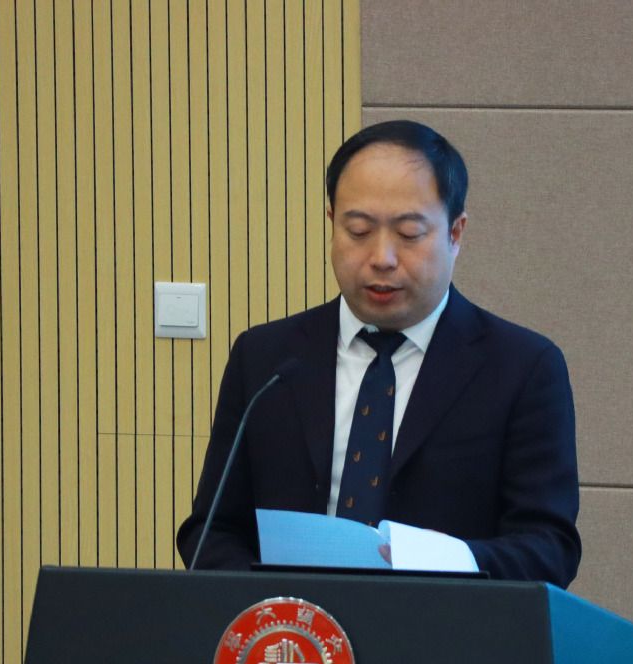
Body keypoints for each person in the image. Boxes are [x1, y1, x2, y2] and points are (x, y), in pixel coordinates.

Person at [177, 120, 580, 587]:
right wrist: (276, 603)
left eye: (409, 234)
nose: (382, 258)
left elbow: (549, 547)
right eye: (359, 230)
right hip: (294, 628)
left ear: (455, 233)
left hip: (445, 624)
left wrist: (443, 560)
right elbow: (212, 530)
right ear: (332, 223)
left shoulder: (522, 368)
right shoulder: (266, 359)